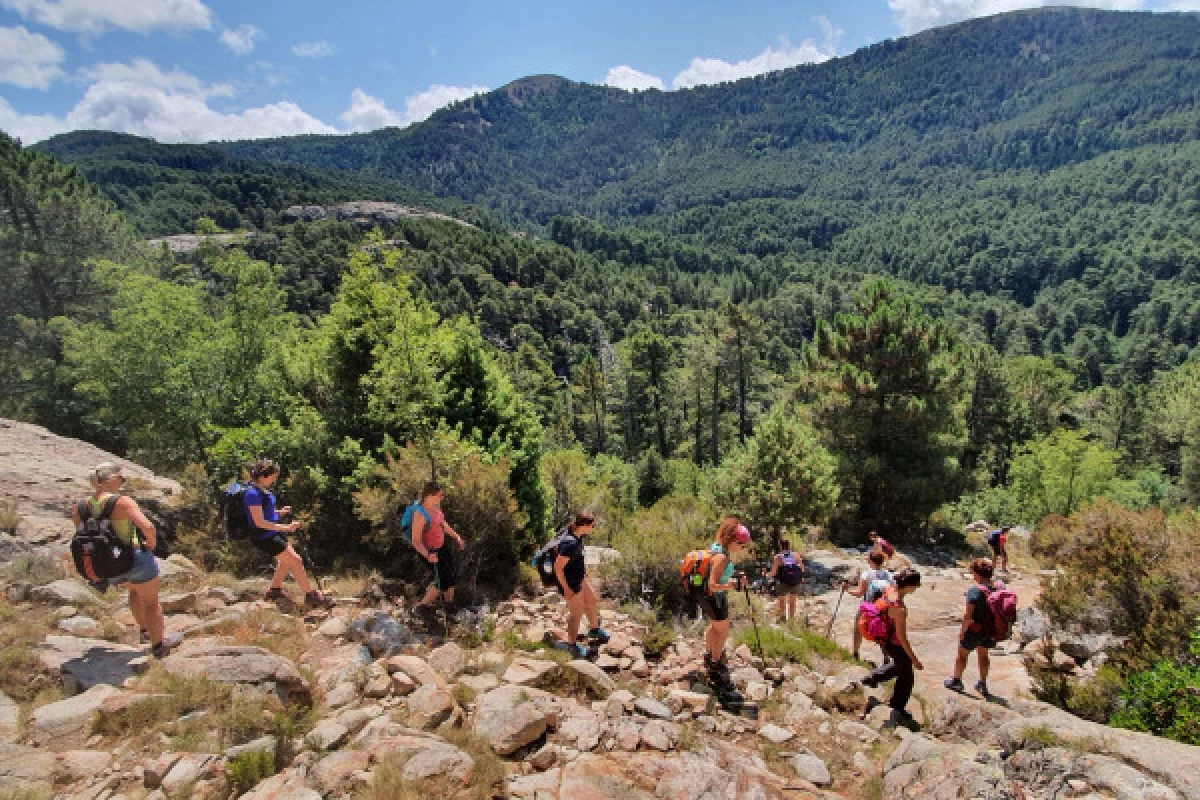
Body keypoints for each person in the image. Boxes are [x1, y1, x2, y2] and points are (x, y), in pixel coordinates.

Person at [72, 463, 181, 658]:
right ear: (109, 480)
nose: (122, 482)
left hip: (106, 565)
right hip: (134, 557)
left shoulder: (79, 508)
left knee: (133, 592)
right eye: (121, 478)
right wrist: (152, 543)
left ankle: (145, 632)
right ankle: (158, 645)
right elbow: (147, 526)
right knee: (151, 602)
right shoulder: (122, 502)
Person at [243, 459, 332, 609]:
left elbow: (265, 513)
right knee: (296, 561)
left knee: (286, 561)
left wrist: (280, 512)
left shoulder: (261, 490)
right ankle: (310, 596)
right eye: (273, 476)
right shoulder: (252, 494)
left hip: (272, 533)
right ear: (264, 476)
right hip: (264, 537)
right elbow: (259, 522)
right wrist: (287, 527)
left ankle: (274, 590)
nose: (275, 479)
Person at [860, 568, 924, 724]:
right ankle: (897, 706)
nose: (916, 589)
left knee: (898, 665)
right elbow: (902, 638)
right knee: (906, 676)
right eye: (916, 586)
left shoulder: (889, 590)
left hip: (884, 639)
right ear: (909, 586)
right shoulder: (899, 608)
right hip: (894, 643)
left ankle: (872, 677)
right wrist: (914, 659)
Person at [697, 518, 752, 681]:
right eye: (741, 544)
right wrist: (733, 584)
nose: (742, 548)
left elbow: (717, 574)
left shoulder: (716, 547)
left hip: (708, 596)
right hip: (713, 597)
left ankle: (708, 654)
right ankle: (714, 663)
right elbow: (713, 584)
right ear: (733, 540)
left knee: (715, 626)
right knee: (723, 629)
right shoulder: (721, 556)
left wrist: (734, 576)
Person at [550, 511, 609, 657]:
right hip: (570, 583)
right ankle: (571, 645)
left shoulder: (577, 536)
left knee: (591, 601)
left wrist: (583, 572)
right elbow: (558, 568)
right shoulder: (570, 542)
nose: (593, 528)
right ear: (585, 525)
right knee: (576, 614)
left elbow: (576, 559)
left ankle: (594, 630)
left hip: (579, 578)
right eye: (592, 525)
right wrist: (566, 589)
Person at [945, 558, 1000, 696]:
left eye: (973, 573)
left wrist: (962, 632)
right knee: (983, 655)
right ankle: (982, 684)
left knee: (962, 655)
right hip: (990, 629)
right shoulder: (998, 588)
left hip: (974, 629)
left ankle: (956, 681)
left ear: (977, 573)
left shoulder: (974, 590)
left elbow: (968, 615)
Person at [410, 481, 466, 616]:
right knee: (442, 580)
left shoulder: (435, 508)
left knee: (451, 576)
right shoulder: (420, 514)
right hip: (430, 551)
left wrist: (456, 536)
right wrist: (428, 555)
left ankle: (449, 605)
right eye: (440, 495)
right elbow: (416, 541)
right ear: (429, 495)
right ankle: (421, 606)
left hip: (442, 547)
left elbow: (442, 524)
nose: (442, 497)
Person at [843, 550, 893, 662]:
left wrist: (847, 590)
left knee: (858, 628)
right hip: (884, 607)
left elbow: (859, 593)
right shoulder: (888, 575)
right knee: (883, 632)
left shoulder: (866, 574)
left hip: (868, 607)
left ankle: (855, 653)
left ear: (871, 561)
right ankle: (886, 657)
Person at [766, 538, 806, 623]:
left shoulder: (778, 557)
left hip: (783, 582)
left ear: (781, 546)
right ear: (789, 546)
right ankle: (791, 620)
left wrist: (766, 575)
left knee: (782, 601)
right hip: (795, 582)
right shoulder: (796, 555)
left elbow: (773, 572)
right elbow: (802, 568)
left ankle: (783, 618)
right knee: (792, 602)